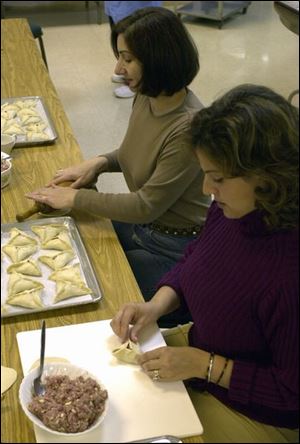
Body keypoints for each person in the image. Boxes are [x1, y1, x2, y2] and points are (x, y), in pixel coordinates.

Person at [110, 84, 299, 443]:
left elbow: (291, 393)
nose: (205, 190)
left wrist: (206, 365)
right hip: (202, 356)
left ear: (269, 176)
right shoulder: (235, 208)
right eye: (205, 174)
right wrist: (156, 305)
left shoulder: (289, 275)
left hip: (257, 410)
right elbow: (199, 258)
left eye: (219, 179)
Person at [26, 7, 211, 327]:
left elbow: (146, 206)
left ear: (156, 59)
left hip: (172, 249)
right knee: (67, 247)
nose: (117, 67)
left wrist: (75, 198)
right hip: (144, 231)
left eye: (127, 59)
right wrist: (98, 163)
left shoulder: (189, 127)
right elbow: (132, 151)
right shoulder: (148, 95)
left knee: (88, 294)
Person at [104, 1, 162, 98]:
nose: (117, 70)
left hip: (136, 7)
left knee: (138, 48)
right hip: (116, 6)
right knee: (123, 46)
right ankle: (130, 74)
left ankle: (140, 81)